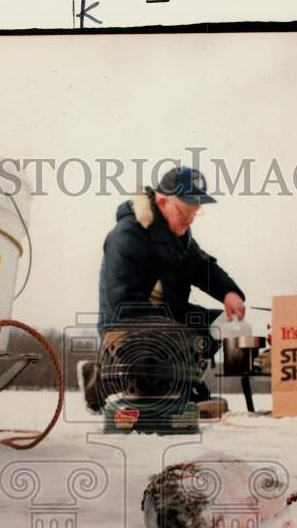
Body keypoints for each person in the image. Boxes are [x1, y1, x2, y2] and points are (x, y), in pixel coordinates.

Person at [82, 165, 246, 413]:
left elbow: (203, 267)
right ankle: (105, 379)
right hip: (124, 327)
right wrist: (178, 334)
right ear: (162, 201)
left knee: (222, 324)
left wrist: (229, 293)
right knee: (181, 339)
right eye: (185, 211)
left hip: (166, 321)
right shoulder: (128, 234)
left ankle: (183, 385)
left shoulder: (180, 238)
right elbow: (123, 303)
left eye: (195, 212)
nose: (190, 218)